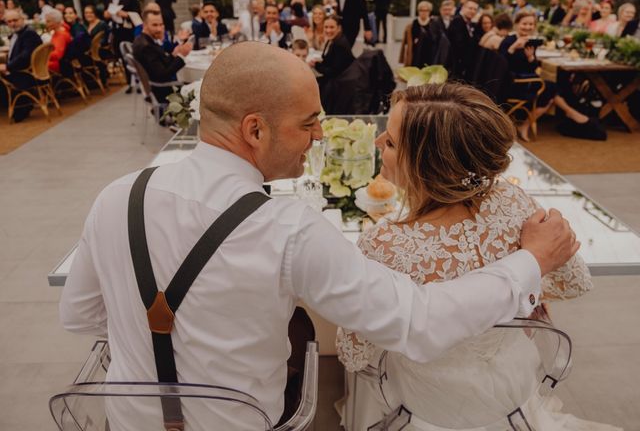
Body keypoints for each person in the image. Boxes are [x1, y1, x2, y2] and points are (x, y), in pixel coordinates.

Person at [60, 41, 577, 427]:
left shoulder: (117, 195)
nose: (320, 136)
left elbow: (79, 314)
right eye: (309, 122)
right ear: (255, 130)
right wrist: (529, 262)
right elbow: (420, 322)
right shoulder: (287, 229)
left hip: (126, 420)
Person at [336, 82, 619, 431]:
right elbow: (573, 280)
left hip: (429, 399)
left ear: (429, 165)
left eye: (391, 142)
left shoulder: (383, 243)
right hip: (511, 384)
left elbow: (353, 352)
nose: (378, 143)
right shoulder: (513, 204)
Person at [499, 11, 596, 142]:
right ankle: (570, 113)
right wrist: (513, 48)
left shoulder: (531, 42)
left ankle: (568, 113)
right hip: (511, 84)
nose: (528, 27)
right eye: (524, 24)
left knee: (551, 90)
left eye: (531, 24)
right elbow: (500, 65)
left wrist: (531, 58)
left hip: (526, 80)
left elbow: (530, 68)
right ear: (517, 24)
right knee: (551, 90)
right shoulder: (509, 40)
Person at [132, 9, 192, 104]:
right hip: (162, 92)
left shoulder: (145, 40)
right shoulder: (146, 46)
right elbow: (163, 75)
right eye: (155, 25)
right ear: (144, 25)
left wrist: (173, 55)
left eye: (161, 25)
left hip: (157, 87)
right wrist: (181, 56)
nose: (159, 29)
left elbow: (159, 64)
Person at [0, 9, 43, 122]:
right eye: (9, 21)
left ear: (22, 19)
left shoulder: (29, 34)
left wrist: (7, 67)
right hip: (21, 71)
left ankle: (21, 107)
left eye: (15, 20)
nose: (12, 23)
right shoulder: (18, 34)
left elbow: (25, 56)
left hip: (26, 74)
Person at [103, 0, 141, 93]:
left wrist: (126, 14)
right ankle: (129, 82)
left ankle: (140, 82)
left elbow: (138, 13)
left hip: (129, 30)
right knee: (123, 56)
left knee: (135, 56)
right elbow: (105, 14)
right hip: (116, 31)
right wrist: (106, 15)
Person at [400, 0, 448, 68]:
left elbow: (437, 37)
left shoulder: (434, 23)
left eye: (426, 10)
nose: (423, 12)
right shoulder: (415, 23)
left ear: (429, 11)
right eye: (421, 10)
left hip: (430, 52)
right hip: (417, 53)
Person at [311, 15, 354, 89]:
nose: (328, 30)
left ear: (339, 28)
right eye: (326, 27)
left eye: (332, 27)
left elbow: (333, 72)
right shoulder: (334, 39)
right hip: (337, 78)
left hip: (339, 84)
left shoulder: (340, 45)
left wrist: (316, 65)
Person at [447, 0, 480, 81]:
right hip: (456, 66)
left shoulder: (468, 23)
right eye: (470, 8)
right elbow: (459, 46)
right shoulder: (457, 21)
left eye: (475, 9)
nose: (472, 11)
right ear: (463, 8)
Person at [44, 9, 72, 74]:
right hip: (56, 62)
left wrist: (44, 55)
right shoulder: (58, 32)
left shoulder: (61, 34)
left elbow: (57, 55)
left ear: (56, 22)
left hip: (58, 65)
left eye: (48, 21)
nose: (46, 24)